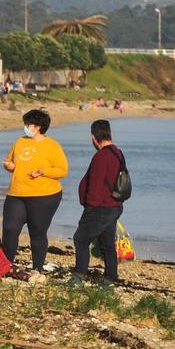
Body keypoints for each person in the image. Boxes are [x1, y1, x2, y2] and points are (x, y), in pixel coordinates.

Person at [1, 109, 68, 272]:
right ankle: (5, 265)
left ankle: (37, 268)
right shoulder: (19, 142)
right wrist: (10, 166)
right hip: (16, 194)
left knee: (37, 232)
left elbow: (63, 170)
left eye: (28, 124)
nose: (25, 127)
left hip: (44, 196)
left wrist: (43, 171)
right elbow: (11, 162)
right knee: (10, 229)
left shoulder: (52, 146)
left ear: (38, 126)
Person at [69, 120, 126, 286]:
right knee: (107, 242)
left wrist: (89, 209)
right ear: (110, 134)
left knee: (80, 239)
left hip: (100, 207)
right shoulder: (118, 153)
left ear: (93, 138)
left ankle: (78, 276)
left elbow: (95, 185)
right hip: (113, 205)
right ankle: (110, 278)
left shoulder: (101, 156)